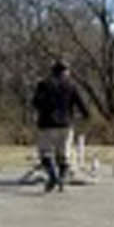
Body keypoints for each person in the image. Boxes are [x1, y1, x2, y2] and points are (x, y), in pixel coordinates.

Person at [31, 59, 89, 192]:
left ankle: (52, 175)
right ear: (66, 72)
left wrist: (44, 109)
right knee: (64, 154)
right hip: (65, 124)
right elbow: (81, 104)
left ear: (52, 71)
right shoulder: (71, 85)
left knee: (45, 153)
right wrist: (85, 116)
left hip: (46, 124)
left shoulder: (43, 84)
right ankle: (61, 178)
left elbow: (35, 103)